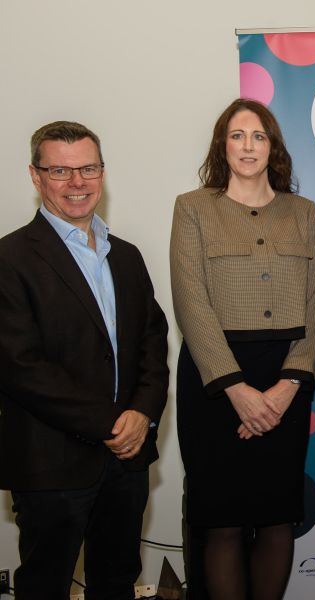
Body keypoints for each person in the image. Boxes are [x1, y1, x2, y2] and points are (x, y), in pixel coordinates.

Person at [0, 121, 169, 599]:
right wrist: (114, 422)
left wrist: (143, 414)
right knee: (45, 588)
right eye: (60, 170)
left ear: (102, 171)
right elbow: (20, 366)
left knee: (116, 585)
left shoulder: (127, 257)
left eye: (88, 168)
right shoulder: (9, 259)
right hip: (50, 462)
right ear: (35, 177)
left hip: (127, 462)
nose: (77, 183)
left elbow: (153, 345)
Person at [170, 98, 315, 600]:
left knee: (278, 520)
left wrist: (287, 386)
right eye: (237, 136)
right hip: (216, 384)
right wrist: (237, 390)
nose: (248, 146)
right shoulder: (192, 207)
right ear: (222, 145)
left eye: (258, 136)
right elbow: (191, 303)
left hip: (286, 378)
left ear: (273, 145)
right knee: (223, 523)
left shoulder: (301, 212)